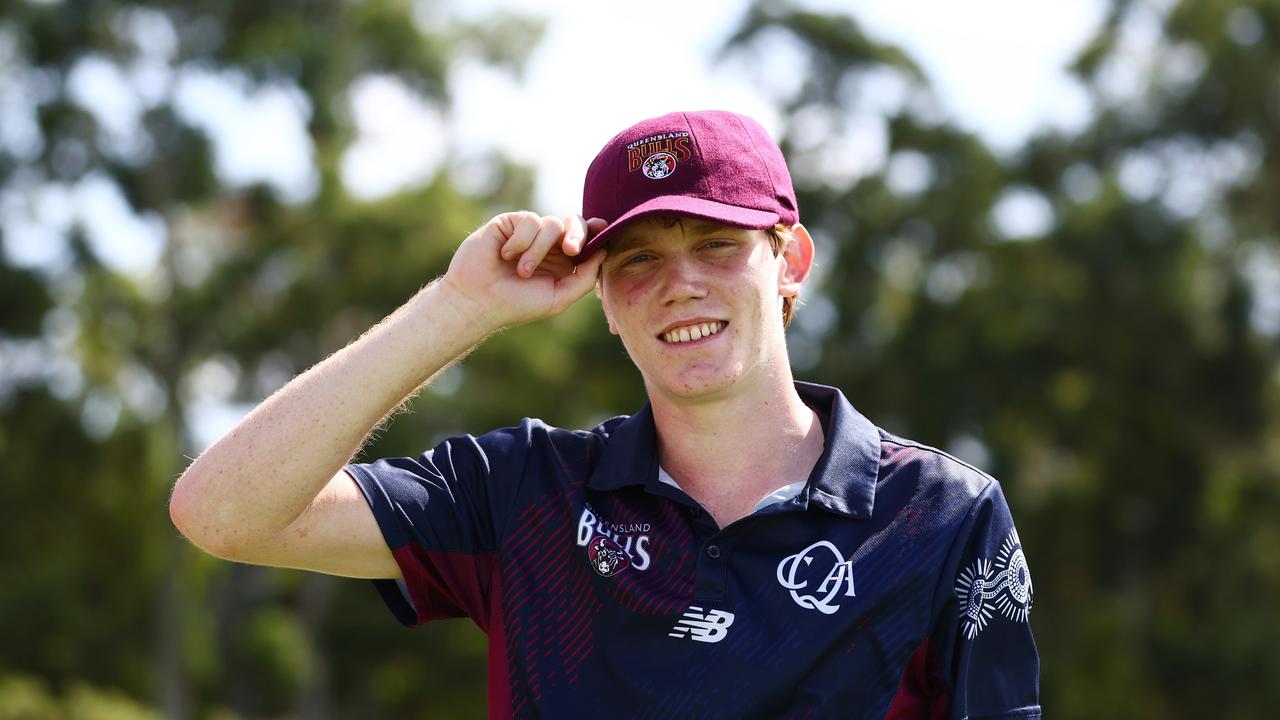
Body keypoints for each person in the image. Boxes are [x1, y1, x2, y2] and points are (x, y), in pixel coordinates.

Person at [170, 110, 1040, 719]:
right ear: (602, 298)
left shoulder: (944, 517)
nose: (680, 283)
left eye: (718, 244)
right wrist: (461, 306)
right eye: (638, 259)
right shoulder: (525, 494)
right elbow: (220, 511)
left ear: (791, 261)